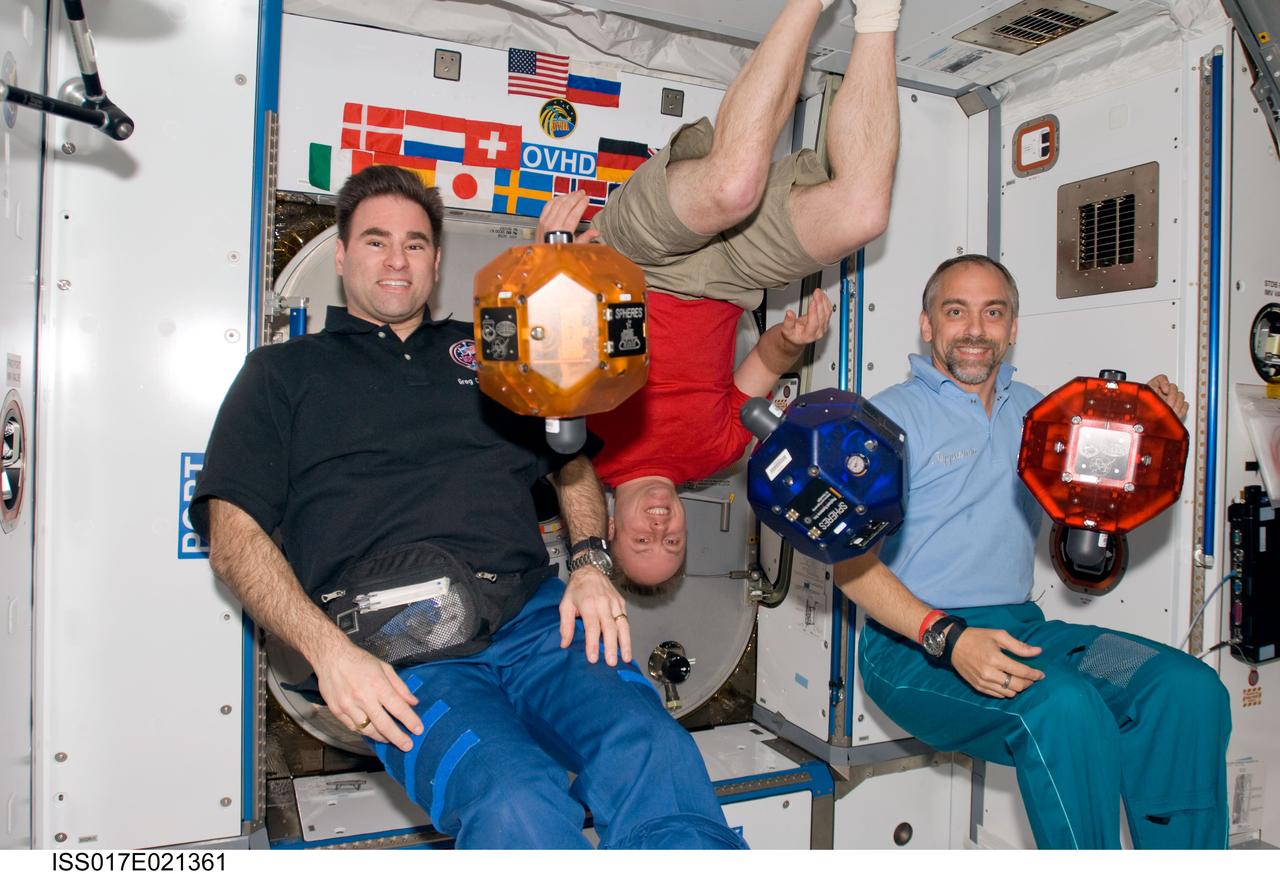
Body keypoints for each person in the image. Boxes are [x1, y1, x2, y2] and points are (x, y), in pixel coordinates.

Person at [190, 165, 746, 850]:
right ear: (340, 256)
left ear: (437, 260)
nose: (397, 259)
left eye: (415, 243)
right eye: (375, 241)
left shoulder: (490, 346)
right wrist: (328, 652)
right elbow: (232, 534)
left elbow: (569, 460)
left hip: (536, 620)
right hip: (398, 647)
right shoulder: (280, 374)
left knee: (654, 752)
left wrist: (591, 564)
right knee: (514, 802)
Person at [836, 253, 1230, 849]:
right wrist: (948, 637)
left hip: (1022, 629)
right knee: (1063, 706)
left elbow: (1083, 563)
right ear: (927, 324)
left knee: (1187, 690)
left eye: (992, 312)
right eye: (956, 311)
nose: (975, 329)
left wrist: (1145, 438)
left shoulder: (1043, 412)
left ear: (1013, 327)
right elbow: (849, 567)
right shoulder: (885, 418)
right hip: (913, 647)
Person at [541, 0, 903, 588]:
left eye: (642, 539)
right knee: (863, 214)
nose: (661, 524)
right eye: (674, 539)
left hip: (629, 266)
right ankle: (879, 15)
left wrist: (552, 257)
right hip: (732, 282)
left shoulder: (585, 457)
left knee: (733, 187)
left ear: (609, 530)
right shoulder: (715, 457)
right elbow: (761, 365)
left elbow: (545, 346)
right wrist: (791, 340)